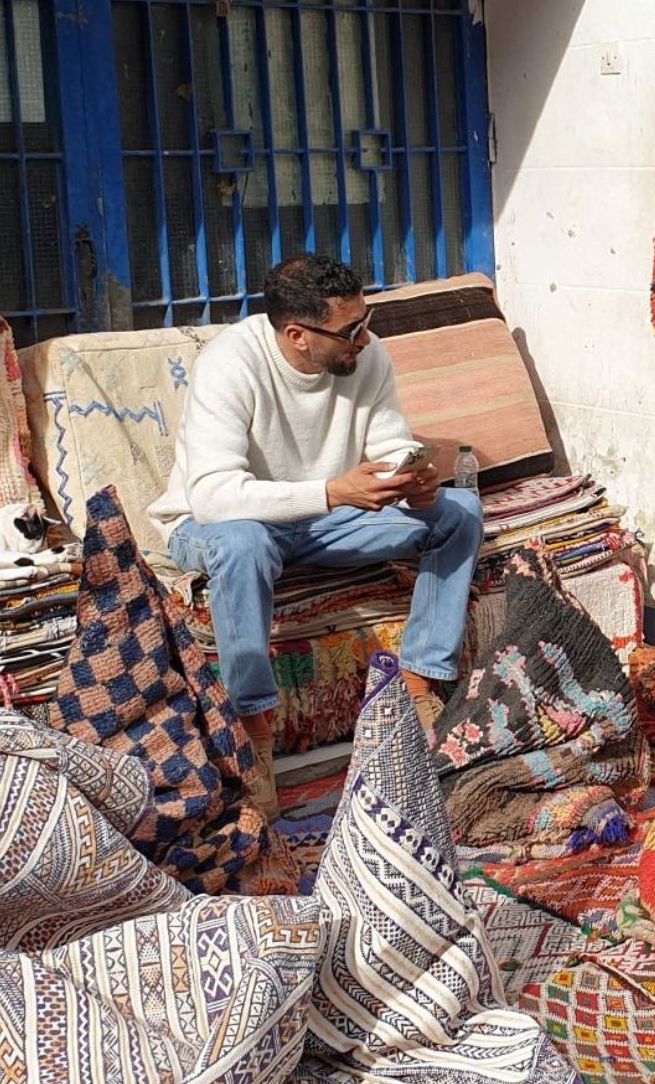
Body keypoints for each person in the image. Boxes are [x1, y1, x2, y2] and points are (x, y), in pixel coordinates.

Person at [151, 252, 481, 784]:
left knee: (459, 510)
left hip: (326, 518)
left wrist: (410, 479)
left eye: (366, 321)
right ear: (297, 334)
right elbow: (212, 496)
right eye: (351, 330)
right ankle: (253, 731)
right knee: (244, 544)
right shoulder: (230, 364)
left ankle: (419, 685)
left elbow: (389, 443)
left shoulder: (363, 357)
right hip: (218, 526)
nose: (366, 339)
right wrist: (330, 492)